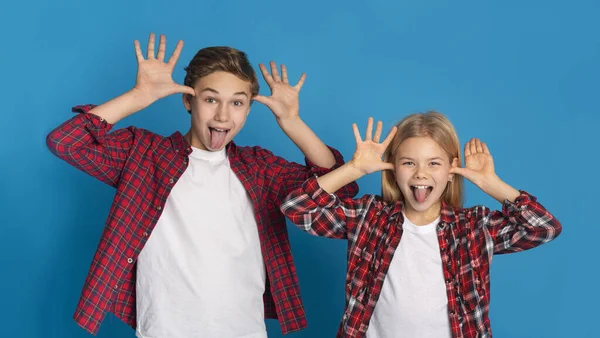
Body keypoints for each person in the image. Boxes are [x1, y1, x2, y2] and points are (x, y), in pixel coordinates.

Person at [46, 33, 358, 337]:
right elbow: (65, 143)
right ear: (188, 100)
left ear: (249, 109)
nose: (223, 114)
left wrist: (292, 121)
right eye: (211, 99)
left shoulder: (260, 168)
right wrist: (139, 97)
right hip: (163, 328)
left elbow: (338, 186)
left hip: (243, 329)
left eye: (237, 103)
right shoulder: (144, 154)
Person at [281, 113, 562, 338]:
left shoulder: (475, 227)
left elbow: (544, 228)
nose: (421, 173)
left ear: (452, 170)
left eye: (434, 163)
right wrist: (353, 169)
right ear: (392, 167)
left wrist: (491, 184)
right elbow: (296, 207)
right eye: (408, 162)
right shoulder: (369, 217)